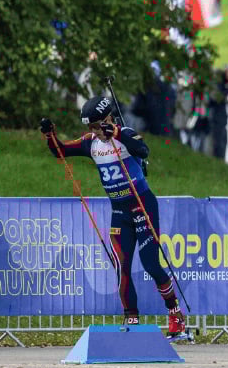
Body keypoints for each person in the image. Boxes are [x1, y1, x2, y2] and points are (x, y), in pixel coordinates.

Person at [40, 98, 187, 339]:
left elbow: (144, 150)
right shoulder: (91, 143)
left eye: (99, 126)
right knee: (122, 266)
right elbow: (61, 151)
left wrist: (116, 133)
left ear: (109, 119)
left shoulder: (125, 134)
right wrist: (49, 134)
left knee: (150, 263)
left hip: (142, 205)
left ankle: (175, 314)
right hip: (120, 211)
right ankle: (131, 320)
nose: (95, 132)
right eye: (92, 128)